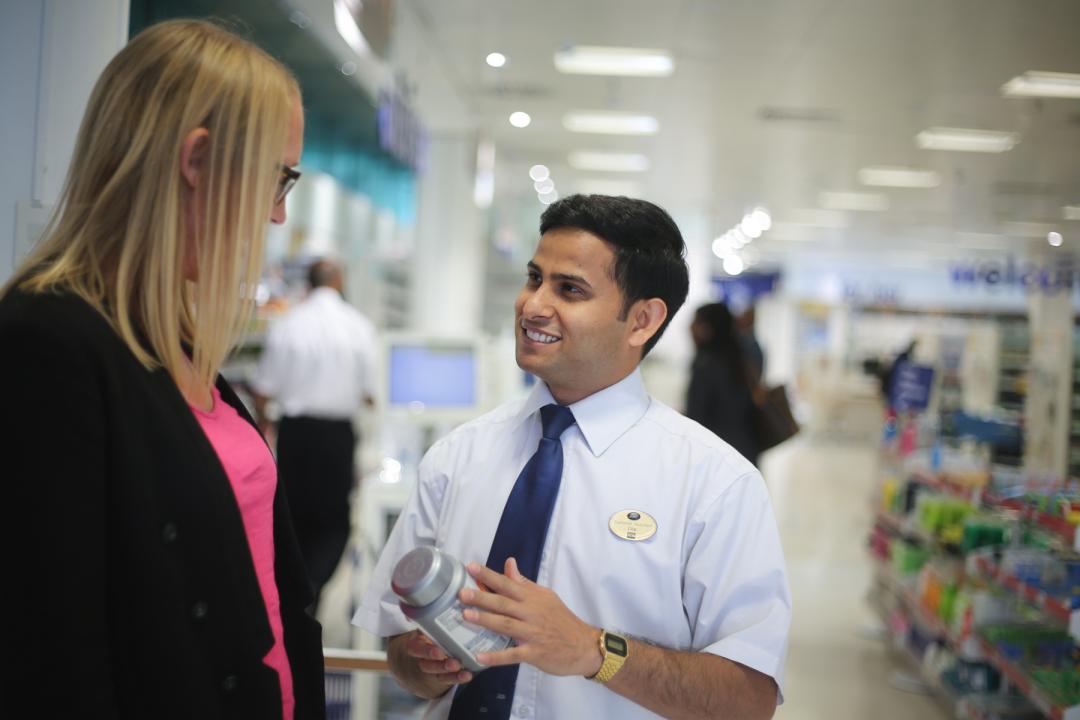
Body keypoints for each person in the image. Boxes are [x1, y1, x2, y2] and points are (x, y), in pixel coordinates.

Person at [355, 194, 791, 719]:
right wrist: (426, 662)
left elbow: (748, 699)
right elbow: (401, 655)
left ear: (642, 320)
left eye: (569, 289)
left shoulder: (714, 484)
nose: (533, 305)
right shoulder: (457, 456)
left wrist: (594, 651)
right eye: (533, 278)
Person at [0, 20, 325, 719]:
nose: (277, 215)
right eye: (278, 178)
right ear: (197, 160)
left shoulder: (167, 341)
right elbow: (50, 649)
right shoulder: (47, 346)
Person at [252, 258, 377, 609]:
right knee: (333, 523)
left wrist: (266, 422)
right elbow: (370, 394)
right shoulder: (358, 326)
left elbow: (262, 388)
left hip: (296, 435)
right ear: (339, 282)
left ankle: (292, 595)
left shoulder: (289, 324)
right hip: (336, 437)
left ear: (308, 283)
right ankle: (312, 592)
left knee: (292, 517)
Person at [686, 302, 763, 466]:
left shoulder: (705, 364)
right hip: (746, 450)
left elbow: (696, 417)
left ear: (707, 329)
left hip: (716, 456)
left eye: (696, 322)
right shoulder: (743, 358)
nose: (690, 328)